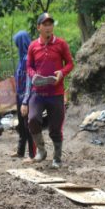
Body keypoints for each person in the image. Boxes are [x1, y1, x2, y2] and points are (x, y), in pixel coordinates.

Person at [26, 13, 74, 168]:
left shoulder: (61, 44)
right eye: (45, 24)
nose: (48, 27)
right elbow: (29, 66)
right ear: (38, 27)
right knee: (33, 119)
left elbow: (70, 64)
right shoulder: (33, 46)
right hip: (38, 92)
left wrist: (62, 73)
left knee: (55, 127)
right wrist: (34, 76)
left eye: (50, 24)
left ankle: (57, 157)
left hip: (56, 93)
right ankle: (41, 150)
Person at [13, 30, 36, 160]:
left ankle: (33, 154)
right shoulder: (22, 57)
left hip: (26, 96)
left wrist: (25, 101)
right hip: (20, 94)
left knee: (28, 125)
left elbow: (29, 80)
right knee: (22, 125)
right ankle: (20, 151)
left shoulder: (28, 58)